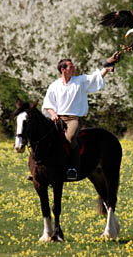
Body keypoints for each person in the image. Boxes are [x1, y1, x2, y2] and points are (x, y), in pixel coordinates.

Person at [42, 51, 121, 180]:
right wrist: (53, 114)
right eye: (71, 66)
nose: (74, 68)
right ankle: (42, 170)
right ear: (63, 69)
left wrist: (107, 66)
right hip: (58, 118)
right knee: (44, 138)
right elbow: (48, 104)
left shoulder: (80, 81)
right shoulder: (54, 86)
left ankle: (73, 168)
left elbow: (96, 77)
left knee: (70, 137)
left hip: (73, 119)